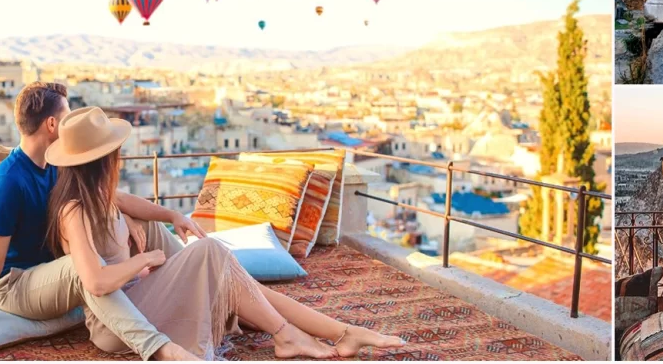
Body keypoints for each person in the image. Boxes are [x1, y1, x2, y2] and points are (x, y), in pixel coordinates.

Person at [44, 107, 406, 359]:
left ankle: (340, 332)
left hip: (142, 295)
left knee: (235, 279)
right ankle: (287, 334)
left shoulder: (100, 195)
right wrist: (147, 258)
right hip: (118, 325)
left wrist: (172, 214)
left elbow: (131, 202)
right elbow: (94, 282)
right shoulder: (74, 210)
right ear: (103, 160)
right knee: (212, 254)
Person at [0, 83, 199, 361]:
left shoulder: (57, 164)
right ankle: (161, 349)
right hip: (17, 285)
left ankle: (199, 294)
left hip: (53, 270)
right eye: (67, 118)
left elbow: (115, 197)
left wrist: (169, 215)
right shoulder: (7, 184)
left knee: (141, 226)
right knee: (82, 268)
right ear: (52, 124)